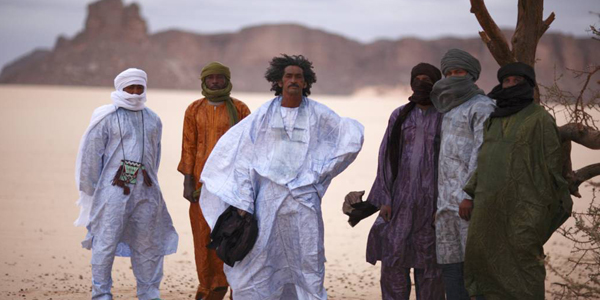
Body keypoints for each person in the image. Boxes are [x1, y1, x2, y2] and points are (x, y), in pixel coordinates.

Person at [199, 54, 364, 299]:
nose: (294, 80)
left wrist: (316, 174)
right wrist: (244, 201)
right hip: (267, 201)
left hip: (303, 201)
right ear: (278, 81)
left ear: (306, 82)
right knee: (262, 259)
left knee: (307, 262)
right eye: (288, 76)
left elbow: (350, 138)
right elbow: (240, 156)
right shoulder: (263, 115)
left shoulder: (319, 114)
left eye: (299, 76)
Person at [463, 62, 573, 299]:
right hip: (488, 205)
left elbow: (552, 166)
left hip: (523, 207)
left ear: (529, 85)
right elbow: (484, 157)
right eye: (507, 81)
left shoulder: (540, 119)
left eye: (518, 81)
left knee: (524, 263)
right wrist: (470, 193)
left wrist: (541, 208)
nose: (511, 85)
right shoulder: (495, 118)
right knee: (482, 258)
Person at [74, 68, 178, 300]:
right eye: (129, 88)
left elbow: (155, 155)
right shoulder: (106, 117)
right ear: (120, 88)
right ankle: (101, 293)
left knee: (148, 244)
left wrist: (148, 178)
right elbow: (91, 156)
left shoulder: (153, 119)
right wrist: (92, 192)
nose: (134, 92)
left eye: (139, 87)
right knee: (105, 241)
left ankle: (149, 293)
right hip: (113, 191)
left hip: (148, 191)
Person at [344, 63, 445, 300]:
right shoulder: (400, 116)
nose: (422, 83)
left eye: (427, 79)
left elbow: (453, 165)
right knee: (393, 263)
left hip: (432, 206)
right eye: (417, 79)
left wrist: (444, 206)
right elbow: (385, 160)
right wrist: (384, 200)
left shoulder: (445, 117)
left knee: (430, 269)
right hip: (399, 204)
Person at [177, 61, 251, 300]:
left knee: (231, 234)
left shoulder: (239, 109)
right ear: (204, 81)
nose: (216, 82)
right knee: (202, 235)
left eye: (220, 78)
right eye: (211, 78)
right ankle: (207, 286)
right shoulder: (194, 109)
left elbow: (248, 147)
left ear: (227, 80)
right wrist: (188, 181)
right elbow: (188, 145)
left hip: (230, 185)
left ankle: (232, 286)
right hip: (201, 185)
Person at [430, 49, 495, 300]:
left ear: (471, 75)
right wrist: (442, 203)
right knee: (450, 267)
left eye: (459, 72)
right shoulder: (448, 109)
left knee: (474, 268)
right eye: (448, 73)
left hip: (468, 204)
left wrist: (469, 195)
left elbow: (481, 154)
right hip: (445, 206)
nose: (453, 76)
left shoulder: (483, 107)